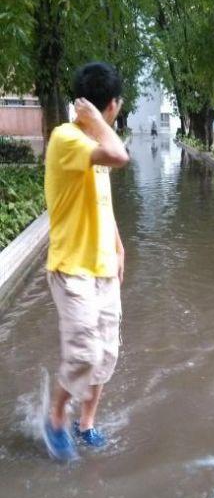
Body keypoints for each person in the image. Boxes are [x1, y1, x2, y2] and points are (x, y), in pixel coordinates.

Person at [43, 62, 128, 463]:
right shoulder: (67, 139)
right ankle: (57, 416)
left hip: (103, 266)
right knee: (84, 355)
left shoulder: (92, 144)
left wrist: (118, 243)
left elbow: (102, 201)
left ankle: (86, 423)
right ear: (111, 106)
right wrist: (97, 121)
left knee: (106, 354)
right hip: (72, 266)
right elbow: (119, 154)